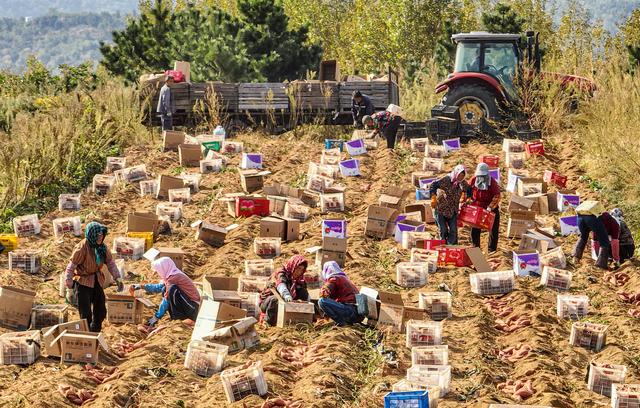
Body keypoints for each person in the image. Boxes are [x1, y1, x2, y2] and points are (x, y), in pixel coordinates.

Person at [65, 222, 124, 332]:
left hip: (97, 280)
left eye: (102, 236)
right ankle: (87, 333)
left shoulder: (102, 248)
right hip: (83, 282)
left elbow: (110, 263)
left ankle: (95, 331)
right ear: (91, 235)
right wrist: (69, 287)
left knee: (101, 310)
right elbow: (71, 267)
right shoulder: (81, 248)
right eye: (98, 236)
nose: (100, 238)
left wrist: (117, 278)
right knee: (85, 313)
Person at [129, 257, 201, 326]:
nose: (158, 272)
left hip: (194, 309)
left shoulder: (174, 277)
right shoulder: (171, 275)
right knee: (164, 289)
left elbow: (166, 300)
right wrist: (141, 286)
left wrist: (156, 317)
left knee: (172, 290)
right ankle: (177, 317)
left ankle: (179, 318)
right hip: (190, 306)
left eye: (158, 270)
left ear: (163, 268)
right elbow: (158, 287)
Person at [259, 255, 309, 326]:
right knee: (275, 299)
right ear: (293, 266)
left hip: (287, 303)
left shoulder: (299, 279)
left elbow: (305, 293)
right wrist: (286, 295)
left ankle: (299, 320)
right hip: (268, 302)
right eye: (298, 268)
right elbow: (281, 284)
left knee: (303, 292)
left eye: (302, 270)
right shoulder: (281, 273)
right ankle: (268, 321)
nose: (299, 272)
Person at [573, 201, 620, 269]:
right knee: (605, 243)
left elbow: (595, 241)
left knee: (583, 236)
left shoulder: (604, 219)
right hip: (592, 218)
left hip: (580, 217)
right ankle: (601, 265)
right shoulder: (615, 225)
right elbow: (615, 243)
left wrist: (596, 257)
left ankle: (575, 257)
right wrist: (616, 260)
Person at [429, 164, 468, 245]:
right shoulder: (447, 179)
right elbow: (433, 185)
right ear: (456, 173)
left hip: (453, 210)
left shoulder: (462, 183)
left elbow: (469, 189)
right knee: (443, 230)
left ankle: (451, 247)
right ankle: (442, 245)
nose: (460, 177)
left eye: (462, 176)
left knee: (453, 230)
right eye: (459, 175)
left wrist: (468, 197)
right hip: (441, 208)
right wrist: (433, 197)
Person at [467, 163, 501, 252]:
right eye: (479, 175)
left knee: (493, 229)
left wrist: (490, 207)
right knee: (475, 228)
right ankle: (475, 247)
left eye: (483, 175)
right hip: (477, 208)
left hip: (490, 208)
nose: (481, 177)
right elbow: (467, 190)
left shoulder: (492, 183)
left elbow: (497, 196)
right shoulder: (473, 180)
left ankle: (491, 250)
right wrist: (467, 200)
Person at [317, 261, 363, 326]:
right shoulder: (345, 279)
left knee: (322, 301)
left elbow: (325, 291)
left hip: (350, 310)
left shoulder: (334, 278)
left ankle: (340, 322)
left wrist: (323, 290)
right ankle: (346, 322)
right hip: (358, 315)